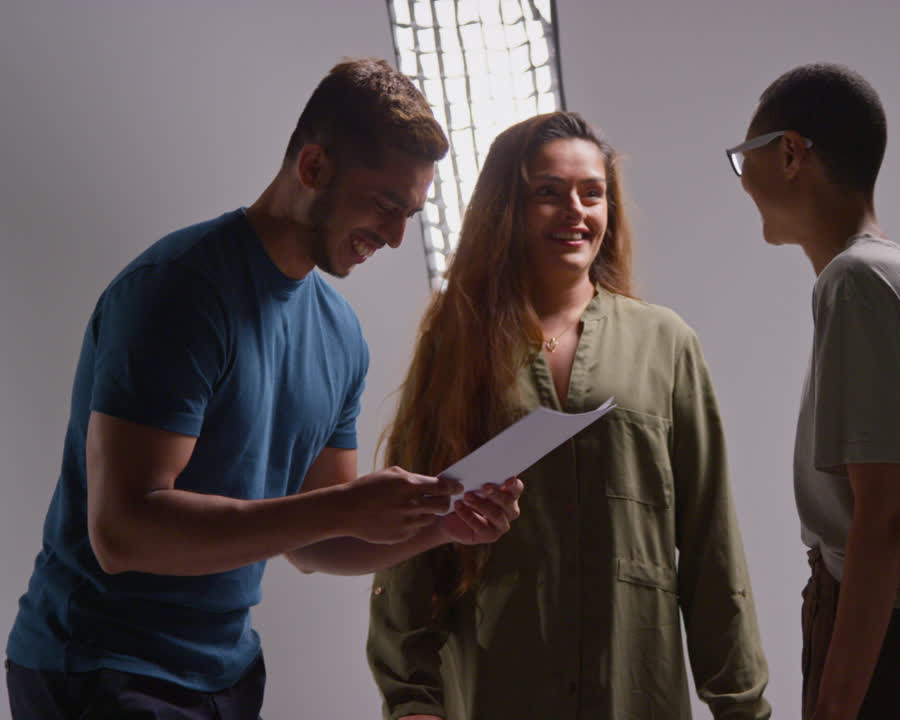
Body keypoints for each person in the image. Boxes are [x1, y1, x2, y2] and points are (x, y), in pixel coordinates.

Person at [5, 57, 522, 720]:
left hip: (228, 673)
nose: (395, 237)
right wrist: (341, 509)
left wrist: (439, 525)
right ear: (313, 168)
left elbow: (315, 542)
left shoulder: (340, 337)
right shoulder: (179, 293)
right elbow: (124, 532)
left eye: (410, 215)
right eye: (385, 206)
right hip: (104, 670)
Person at [367, 111, 771, 720]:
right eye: (548, 194)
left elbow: (712, 541)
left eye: (593, 193)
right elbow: (408, 528)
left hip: (637, 691)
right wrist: (412, 698)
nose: (575, 212)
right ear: (509, 208)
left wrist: (740, 705)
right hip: (499, 686)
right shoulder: (458, 340)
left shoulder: (666, 343)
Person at [728, 63, 900, 719]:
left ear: (791, 153)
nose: (742, 182)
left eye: (745, 160)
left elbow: (884, 516)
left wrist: (833, 706)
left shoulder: (853, 283)